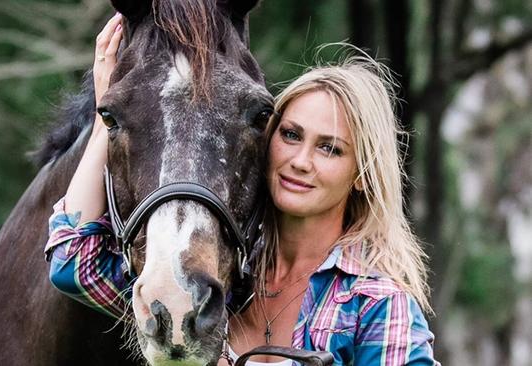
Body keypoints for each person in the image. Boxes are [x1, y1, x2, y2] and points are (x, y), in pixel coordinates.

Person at [45, 14, 438, 365]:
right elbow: (71, 259)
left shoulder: (376, 305)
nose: (300, 160)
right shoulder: (223, 275)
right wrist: (106, 118)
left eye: (329, 148)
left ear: (362, 174)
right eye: (291, 135)